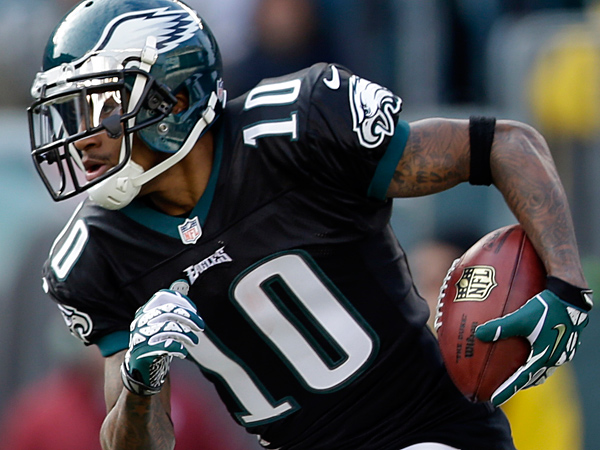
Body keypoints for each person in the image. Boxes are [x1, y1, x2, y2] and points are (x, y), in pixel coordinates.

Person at [27, 1, 592, 449]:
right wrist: (140, 383)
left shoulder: (299, 128)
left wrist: (567, 286)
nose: (82, 137)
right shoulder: (94, 254)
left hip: (426, 430)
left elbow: (503, 144)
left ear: (173, 100)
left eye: (101, 107)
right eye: (71, 113)